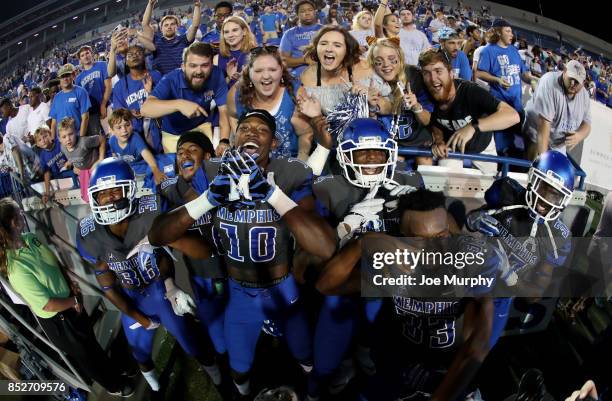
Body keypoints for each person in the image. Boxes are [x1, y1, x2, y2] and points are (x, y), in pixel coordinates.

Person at [147, 109, 337, 397]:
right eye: (245, 127)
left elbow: (323, 246)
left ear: (274, 143)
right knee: (239, 366)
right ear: (235, 138)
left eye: (261, 130)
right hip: (239, 292)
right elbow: (158, 234)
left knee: (304, 355)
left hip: (283, 288)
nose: (251, 132)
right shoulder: (212, 173)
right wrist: (207, 200)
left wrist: (273, 195)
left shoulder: (288, 174)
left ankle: (311, 394)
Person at [317, 189, 500, 401]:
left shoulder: (468, 261)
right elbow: (326, 286)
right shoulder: (394, 264)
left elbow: (477, 346)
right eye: (420, 240)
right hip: (403, 368)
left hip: (452, 373)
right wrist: (363, 243)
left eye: (441, 235)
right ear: (402, 239)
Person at [76, 157, 220, 392]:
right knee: (139, 352)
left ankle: (215, 373)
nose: (110, 198)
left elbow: (166, 255)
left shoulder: (150, 210)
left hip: (159, 289)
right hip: (132, 297)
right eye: (103, 194)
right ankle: (154, 385)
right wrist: (137, 316)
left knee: (190, 339)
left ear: (130, 191)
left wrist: (171, 285)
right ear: (93, 197)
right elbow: (107, 285)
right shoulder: (89, 234)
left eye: (116, 191)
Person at [304, 117, 424, 399]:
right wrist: (346, 227)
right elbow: (314, 258)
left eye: (378, 152)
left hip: (387, 287)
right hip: (341, 287)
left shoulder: (406, 181)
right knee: (325, 362)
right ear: (345, 155)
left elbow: (430, 242)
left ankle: (363, 353)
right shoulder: (328, 187)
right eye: (362, 152)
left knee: (387, 355)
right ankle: (340, 366)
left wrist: (413, 209)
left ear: (390, 154)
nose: (371, 159)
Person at [0, 198, 133, 397]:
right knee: (86, 356)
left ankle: (113, 370)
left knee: (92, 344)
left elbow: (53, 262)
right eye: (19, 213)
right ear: (13, 222)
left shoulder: (29, 238)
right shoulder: (16, 269)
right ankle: (114, 385)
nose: (22, 215)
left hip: (70, 301)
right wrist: (74, 302)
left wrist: (70, 282)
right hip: (60, 320)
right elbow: (46, 305)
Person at [157, 131, 227, 359]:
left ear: (207, 156)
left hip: (237, 268)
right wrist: (169, 285)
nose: (183, 155)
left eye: (192, 150)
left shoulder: (223, 176)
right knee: (218, 336)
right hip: (203, 275)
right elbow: (157, 238)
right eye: (179, 152)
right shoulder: (169, 189)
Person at [466, 150, 574, 296]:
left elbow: (535, 294)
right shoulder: (507, 192)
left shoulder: (558, 236)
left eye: (555, 195)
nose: (545, 200)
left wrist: (508, 275)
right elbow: (472, 220)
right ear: (532, 178)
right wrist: (474, 220)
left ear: (564, 199)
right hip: (474, 272)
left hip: (502, 295)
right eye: (543, 188)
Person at [419, 49, 520, 174]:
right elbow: (435, 121)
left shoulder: (471, 92)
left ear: (451, 73)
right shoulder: (425, 94)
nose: (433, 79)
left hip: (482, 145)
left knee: (488, 184)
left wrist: (472, 127)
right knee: (445, 181)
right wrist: (439, 140)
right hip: (452, 146)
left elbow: (513, 116)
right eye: (426, 73)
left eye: (438, 71)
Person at [141, 42, 230, 155]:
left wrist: (224, 140)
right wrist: (179, 104)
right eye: (193, 66)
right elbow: (145, 109)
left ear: (212, 65)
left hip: (201, 127)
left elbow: (224, 110)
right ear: (183, 66)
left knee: (209, 165)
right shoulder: (170, 79)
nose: (199, 71)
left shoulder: (216, 74)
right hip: (173, 134)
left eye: (204, 65)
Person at [228, 46, 313, 160]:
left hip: (289, 163)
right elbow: (233, 116)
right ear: (249, 72)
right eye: (258, 71)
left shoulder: (296, 93)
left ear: (282, 70)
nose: (266, 76)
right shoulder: (236, 94)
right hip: (251, 163)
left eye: (272, 70)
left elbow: (306, 133)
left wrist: (300, 161)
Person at [366, 38, 434, 165]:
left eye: (392, 60)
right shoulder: (369, 83)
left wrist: (416, 106)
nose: (386, 65)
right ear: (373, 64)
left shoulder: (415, 77)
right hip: (388, 147)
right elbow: (370, 128)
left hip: (418, 145)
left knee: (425, 162)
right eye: (379, 61)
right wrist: (371, 108)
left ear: (400, 59)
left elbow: (426, 120)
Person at [299, 26, 389, 117]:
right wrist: (317, 117)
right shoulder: (308, 75)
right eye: (323, 44)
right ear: (316, 48)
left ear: (347, 50)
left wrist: (374, 102)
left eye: (337, 45)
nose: (329, 49)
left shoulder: (364, 67)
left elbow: (391, 107)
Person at [476, 19, 534, 157]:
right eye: (507, 31)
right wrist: (497, 80)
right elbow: (479, 72)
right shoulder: (488, 50)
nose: (511, 34)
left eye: (511, 32)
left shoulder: (514, 51)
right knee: (503, 149)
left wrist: (534, 80)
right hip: (500, 106)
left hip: (517, 105)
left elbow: (524, 74)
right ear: (498, 32)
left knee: (522, 145)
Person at [523, 60, 592, 160]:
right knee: (533, 165)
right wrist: (544, 160)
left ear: (583, 83)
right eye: (571, 78)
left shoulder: (584, 96)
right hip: (535, 132)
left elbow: (587, 124)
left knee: (558, 173)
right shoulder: (549, 82)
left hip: (557, 143)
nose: (573, 83)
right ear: (564, 71)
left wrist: (579, 135)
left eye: (577, 82)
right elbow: (544, 125)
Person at [111, 45, 163, 153]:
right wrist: (129, 113)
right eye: (130, 55)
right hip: (135, 136)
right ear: (125, 61)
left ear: (144, 57)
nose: (134, 56)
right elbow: (118, 113)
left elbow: (166, 102)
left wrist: (150, 92)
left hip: (160, 129)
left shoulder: (156, 75)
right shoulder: (119, 86)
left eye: (138, 53)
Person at [108, 109, 168, 189]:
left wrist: (155, 170)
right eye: (119, 127)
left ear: (132, 124)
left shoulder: (135, 138)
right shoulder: (112, 141)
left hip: (142, 171)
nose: (124, 130)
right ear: (112, 131)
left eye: (127, 125)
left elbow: (147, 154)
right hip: (127, 172)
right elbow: (114, 158)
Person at [140, 0, 201, 76]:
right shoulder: (156, 40)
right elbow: (145, 24)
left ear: (177, 27)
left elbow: (195, 25)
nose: (169, 27)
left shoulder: (184, 39)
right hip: (161, 81)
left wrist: (197, 5)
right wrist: (150, 4)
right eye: (166, 25)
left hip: (180, 79)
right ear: (161, 29)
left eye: (172, 24)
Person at [57, 118, 106, 203]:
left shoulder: (84, 142)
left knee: (101, 195)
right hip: (83, 173)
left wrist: (100, 159)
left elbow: (102, 139)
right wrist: (75, 165)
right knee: (89, 198)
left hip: (95, 169)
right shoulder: (63, 147)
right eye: (64, 137)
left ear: (76, 132)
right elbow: (72, 156)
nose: (68, 139)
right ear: (60, 139)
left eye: (70, 134)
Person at [280, 0, 323, 79]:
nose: (307, 13)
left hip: (325, 76)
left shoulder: (326, 30)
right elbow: (284, 61)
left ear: (314, 12)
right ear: (297, 15)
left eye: (310, 10)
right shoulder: (289, 34)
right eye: (303, 11)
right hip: (298, 78)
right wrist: (305, 60)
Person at [75, 45, 111, 136]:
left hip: (107, 105)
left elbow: (108, 86)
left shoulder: (102, 65)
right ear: (80, 59)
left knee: (112, 133)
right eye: (82, 55)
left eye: (87, 53)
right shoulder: (78, 79)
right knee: (100, 139)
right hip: (92, 113)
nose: (85, 56)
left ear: (92, 54)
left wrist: (103, 105)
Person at [49, 64, 91, 138]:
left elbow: (85, 117)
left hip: (77, 137)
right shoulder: (56, 97)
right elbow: (53, 123)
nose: (65, 78)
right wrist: (53, 140)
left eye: (67, 75)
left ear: (72, 76)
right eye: (62, 77)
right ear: (60, 79)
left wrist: (81, 138)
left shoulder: (81, 91)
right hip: (62, 141)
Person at [214, 16, 257, 88]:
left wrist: (245, 78)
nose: (230, 35)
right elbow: (214, 90)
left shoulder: (256, 54)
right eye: (226, 32)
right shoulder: (216, 58)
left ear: (244, 31)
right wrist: (229, 77)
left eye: (235, 30)